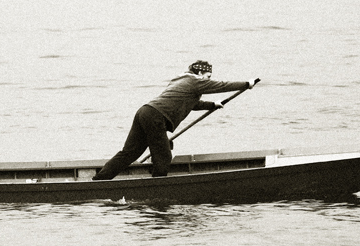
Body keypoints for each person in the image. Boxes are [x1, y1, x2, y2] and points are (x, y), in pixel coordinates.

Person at [92, 60, 253, 180]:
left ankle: (99, 181)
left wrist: (212, 105)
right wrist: (246, 84)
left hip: (144, 111)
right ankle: (157, 187)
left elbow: (190, 104)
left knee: (129, 153)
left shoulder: (180, 80)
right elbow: (221, 86)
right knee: (163, 156)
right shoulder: (194, 81)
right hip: (155, 116)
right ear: (199, 74)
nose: (209, 80)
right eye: (208, 77)